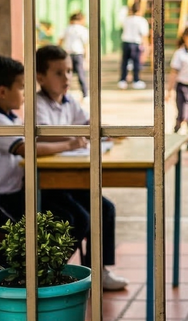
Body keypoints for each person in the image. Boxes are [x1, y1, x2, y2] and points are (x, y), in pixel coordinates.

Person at [33, 45, 129, 291]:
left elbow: (88, 123)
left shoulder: (68, 101)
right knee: (80, 218)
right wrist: (73, 139)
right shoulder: (38, 104)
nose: (66, 78)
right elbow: (42, 136)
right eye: (58, 73)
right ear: (40, 77)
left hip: (70, 180)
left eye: (68, 71)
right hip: (48, 184)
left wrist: (107, 132)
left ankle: (99, 271)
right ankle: (54, 271)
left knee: (105, 208)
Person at [0, 55, 85, 231]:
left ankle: (49, 259)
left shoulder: (9, 117)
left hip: (12, 194)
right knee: (61, 223)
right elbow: (28, 149)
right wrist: (69, 145)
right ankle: (32, 259)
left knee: (70, 217)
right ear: (2, 92)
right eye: (22, 87)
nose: (26, 92)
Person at [118, 2, 149, 89]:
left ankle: (123, 80)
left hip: (126, 42)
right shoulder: (142, 21)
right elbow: (144, 35)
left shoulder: (127, 19)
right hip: (136, 43)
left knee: (125, 62)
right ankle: (136, 80)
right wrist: (146, 47)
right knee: (136, 62)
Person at [60, 12, 90, 99]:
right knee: (81, 75)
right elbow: (86, 44)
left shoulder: (67, 29)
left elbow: (60, 40)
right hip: (78, 54)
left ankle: (64, 93)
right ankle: (85, 94)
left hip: (67, 54)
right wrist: (87, 56)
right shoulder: (82, 29)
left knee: (66, 75)